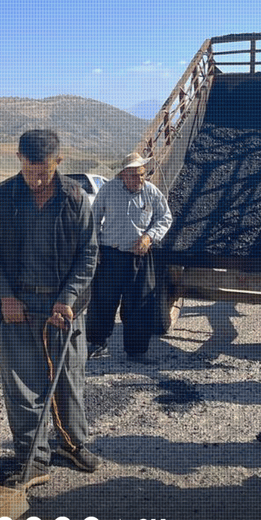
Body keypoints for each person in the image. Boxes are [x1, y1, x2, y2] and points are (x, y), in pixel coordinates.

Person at [0, 129, 100, 488]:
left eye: (43, 172)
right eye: (30, 170)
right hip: (18, 307)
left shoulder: (76, 199)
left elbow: (89, 255)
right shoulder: (5, 196)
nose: (35, 179)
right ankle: (33, 459)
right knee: (22, 386)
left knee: (69, 381)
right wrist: (5, 296)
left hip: (63, 307)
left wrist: (67, 299)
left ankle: (72, 444)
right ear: (18, 158)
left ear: (59, 163)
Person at [86, 152, 173, 363]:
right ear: (123, 175)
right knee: (103, 302)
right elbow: (93, 219)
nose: (139, 179)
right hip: (110, 256)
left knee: (139, 304)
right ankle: (97, 343)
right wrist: (95, 247)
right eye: (134, 175)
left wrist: (150, 237)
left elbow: (165, 217)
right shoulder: (108, 190)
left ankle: (136, 350)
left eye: (142, 174)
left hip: (140, 258)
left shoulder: (151, 192)